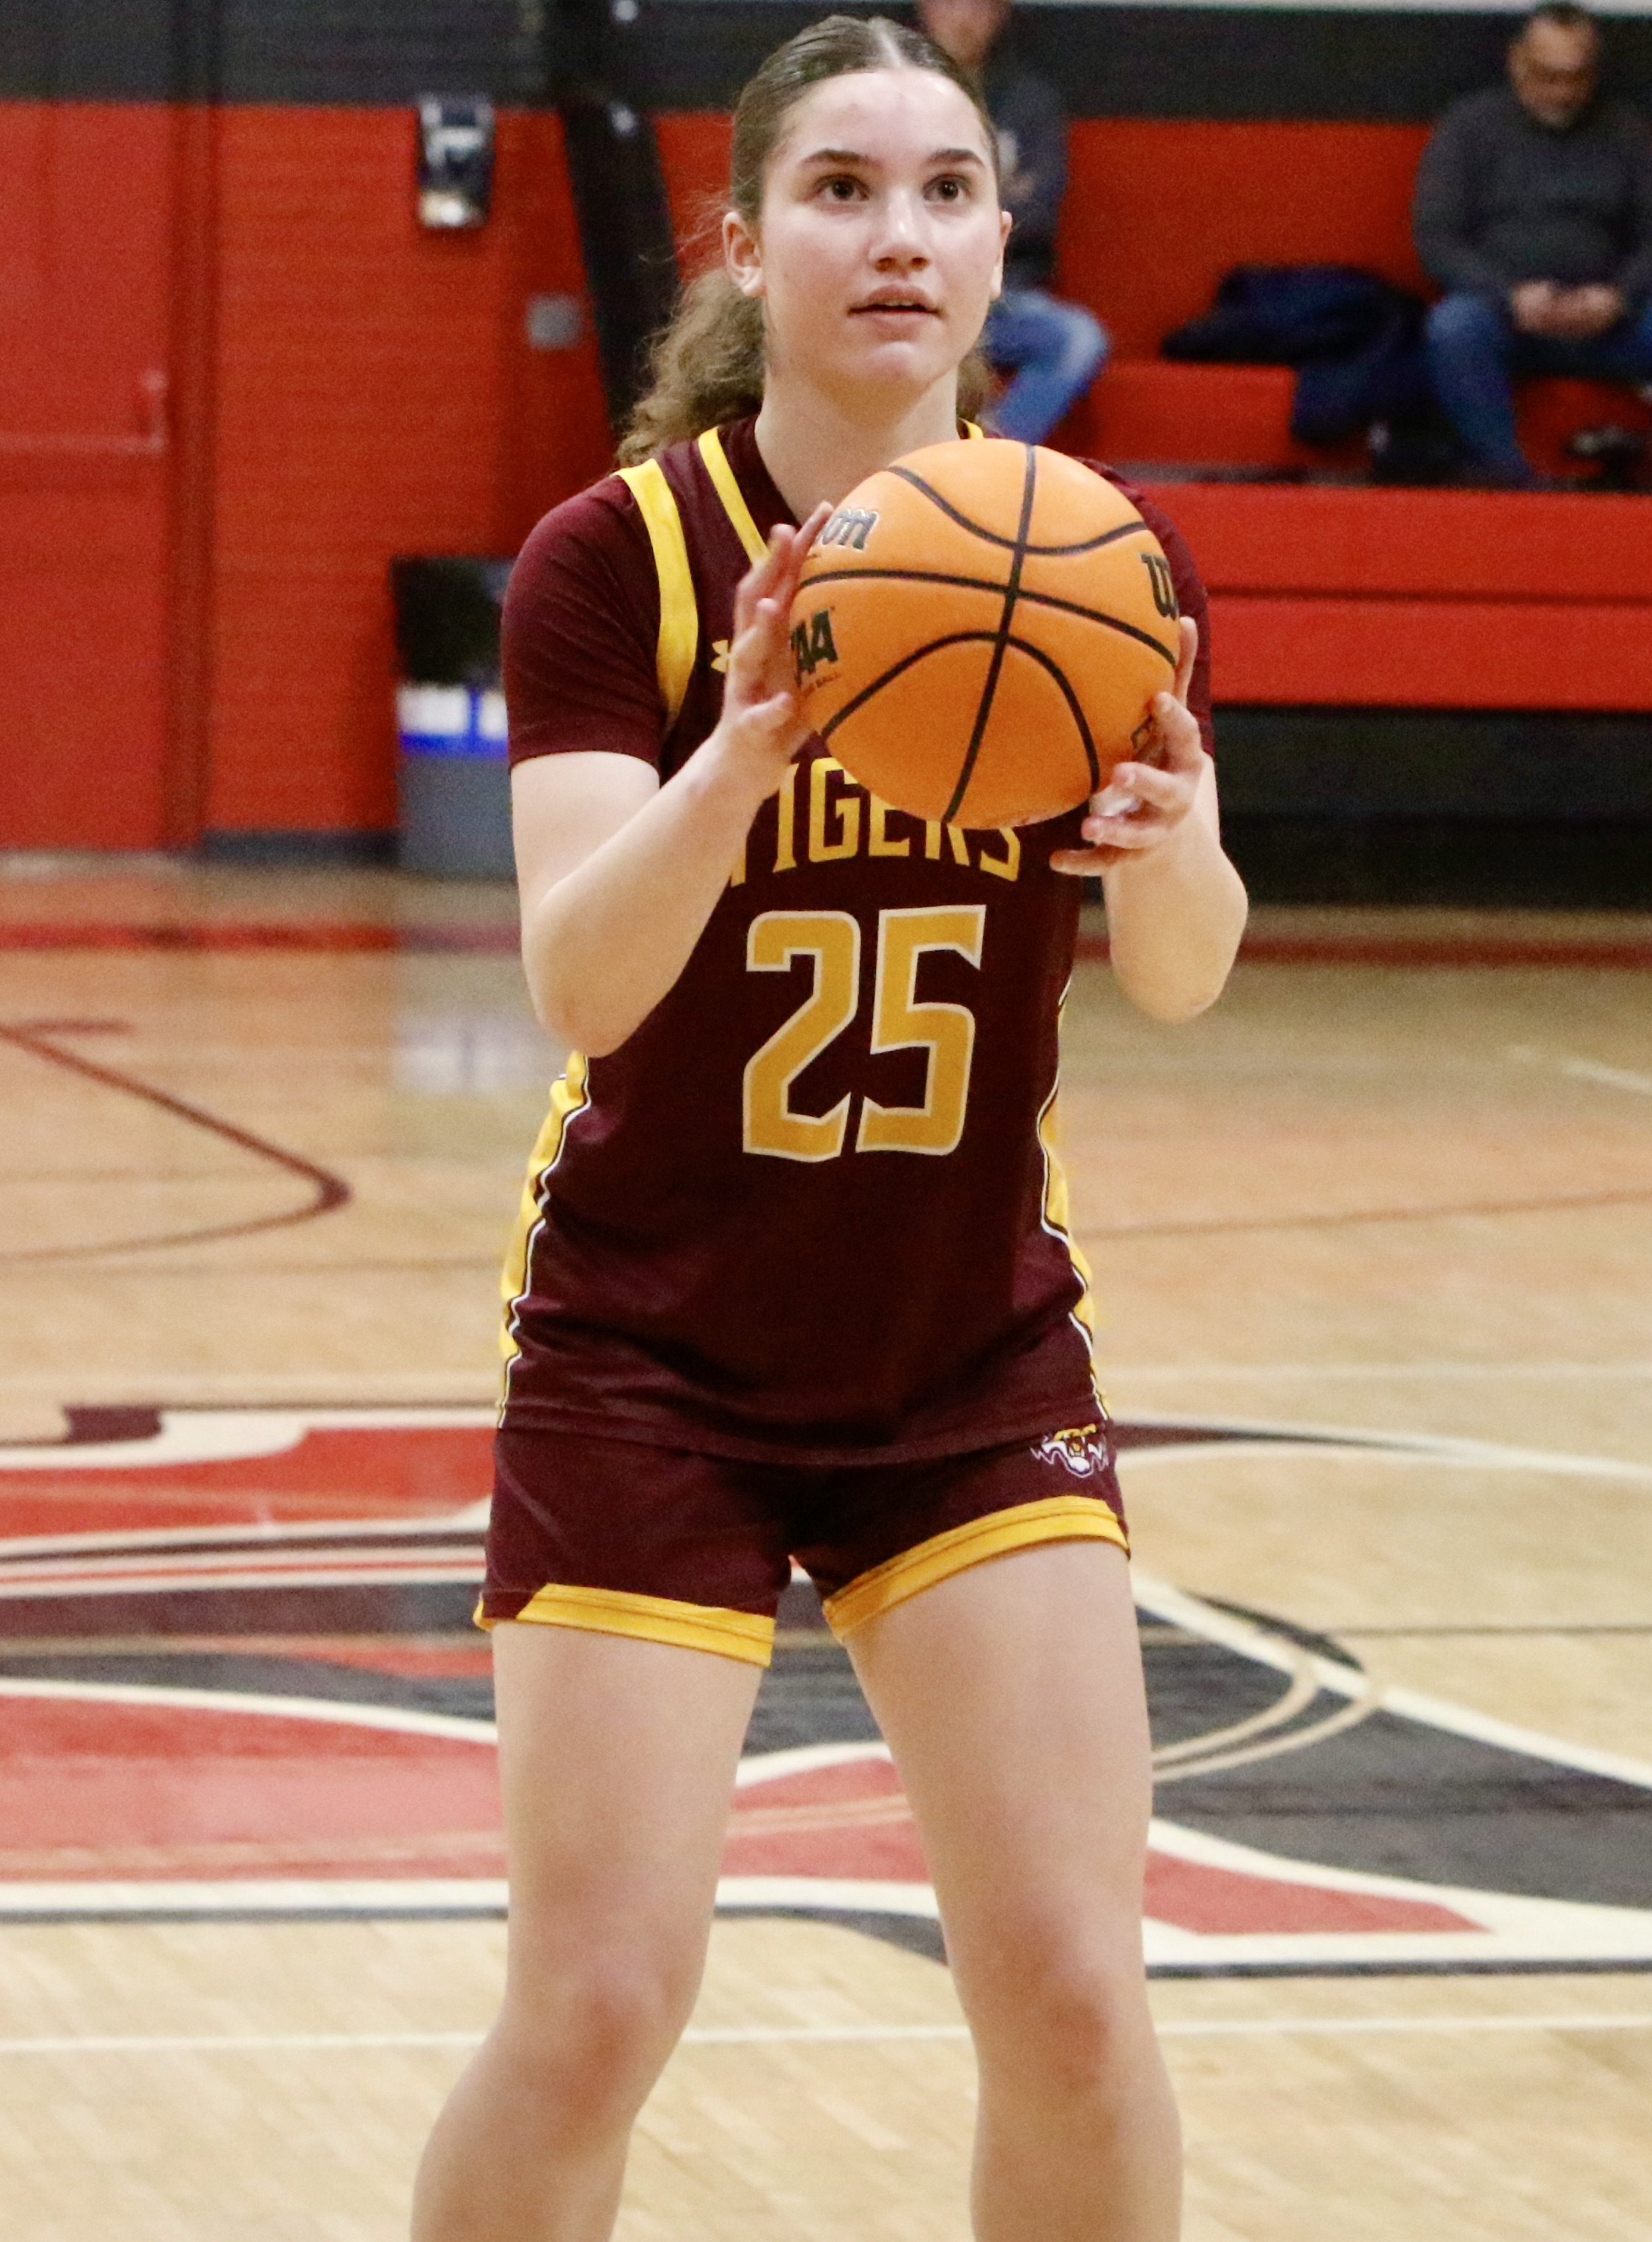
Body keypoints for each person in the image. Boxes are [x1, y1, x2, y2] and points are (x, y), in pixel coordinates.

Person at [414, 16, 1248, 2239]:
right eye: (843, 191)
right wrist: (742, 751)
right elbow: (580, 983)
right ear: (746, 241)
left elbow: (1178, 967)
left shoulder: (1087, 558)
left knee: (1075, 1987)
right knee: (595, 2000)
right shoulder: (621, 561)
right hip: (648, 1354)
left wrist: (1162, 842)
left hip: (960, 1353)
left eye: (948, 192)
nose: (901, 237)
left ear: (999, 245)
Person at [1411, 2, 1652, 492]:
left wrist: (1618, 296)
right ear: (1517, 61)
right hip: (1510, 320)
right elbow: (1437, 239)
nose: (1562, 92)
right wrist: (1509, 296)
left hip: (1608, 322)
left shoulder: (1626, 131)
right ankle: (1506, 480)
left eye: (1577, 77)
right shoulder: (1468, 128)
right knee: (1453, 327)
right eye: (1547, 76)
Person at [918, 0, 1109, 445]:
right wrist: (997, 192)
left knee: (1078, 339)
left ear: (1000, 14)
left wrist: (939, 200)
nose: (964, 16)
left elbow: (1038, 213)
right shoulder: (890, 97)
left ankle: (985, 456)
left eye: (980, 5)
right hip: (910, 286)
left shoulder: (1028, 101)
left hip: (1003, 294)